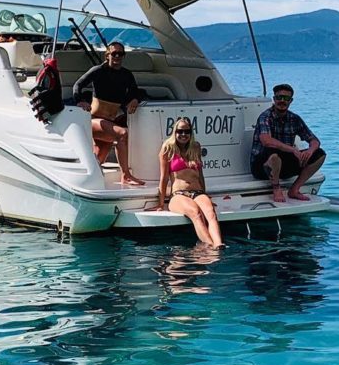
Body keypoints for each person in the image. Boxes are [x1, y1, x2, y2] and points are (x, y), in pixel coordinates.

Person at [71, 41, 147, 185]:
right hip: (94, 120)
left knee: (99, 159)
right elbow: (77, 86)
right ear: (107, 55)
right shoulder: (98, 70)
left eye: (120, 54)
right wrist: (80, 101)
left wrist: (135, 99)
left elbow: (136, 92)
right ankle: (125, 175)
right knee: (122, 134)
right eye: (114, 53)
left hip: (109, 121)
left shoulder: (126, 75)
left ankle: (84, 179)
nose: (117, 56)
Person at [250, 83, 326, 203]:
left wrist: (310, 151)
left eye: (286, 98)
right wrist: (293, 150)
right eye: (279, 97)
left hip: (283, 165)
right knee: (273, 151)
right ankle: (276, 188)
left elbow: (314, 140)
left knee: (319, 153)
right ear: (274, 99)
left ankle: (295, 189)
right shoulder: (265, 117)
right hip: (262, 166)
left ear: (291, 101)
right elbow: (266, 140)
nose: (282, 101)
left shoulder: (294, 119)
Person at [154, 119, 224, 247]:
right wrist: (160, 203)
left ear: (191, 133)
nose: (183, 134)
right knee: (196, 213)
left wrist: (205, 194)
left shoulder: (196, 147)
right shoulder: (167, 148)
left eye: (187, 131)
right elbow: (164, 178)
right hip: (179, 194)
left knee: (210, 213)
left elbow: (200, 175)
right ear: (174, 132)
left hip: (198, 192)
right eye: (180, 131)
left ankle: (219, 245)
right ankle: (210, 247)